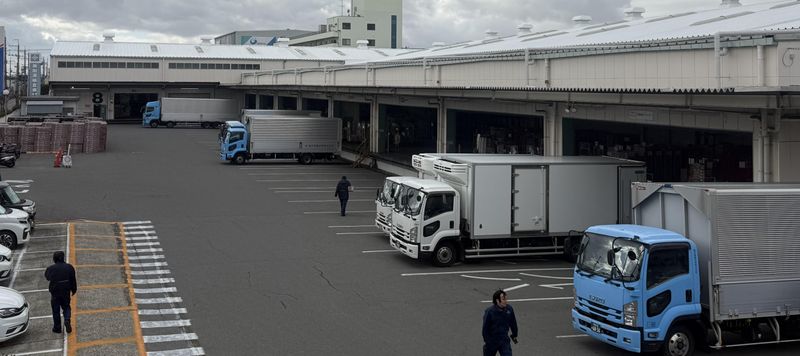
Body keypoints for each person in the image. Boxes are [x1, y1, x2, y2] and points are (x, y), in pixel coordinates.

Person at [44, 251, 77, 334]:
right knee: (66, 307)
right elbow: (73, 280)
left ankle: (57, 328)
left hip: (55, 292)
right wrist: (74, 289)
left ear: (54, 259)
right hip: (66, 291)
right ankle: (67, 319)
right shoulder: (69, 267)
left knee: (56, 310)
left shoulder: (51, 268)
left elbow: (47, 277)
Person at [482, 289, 519, 356]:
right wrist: (488, 342)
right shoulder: (490, 312)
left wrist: (514, 334)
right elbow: (485, 329)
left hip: (504, 340)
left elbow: (513, 323)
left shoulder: (509, 309)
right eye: (503, 299)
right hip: (492, 340)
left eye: (506, 299)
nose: (506, 301)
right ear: (497, 301)